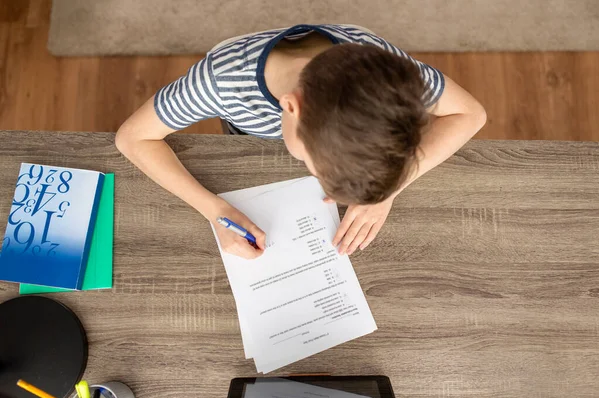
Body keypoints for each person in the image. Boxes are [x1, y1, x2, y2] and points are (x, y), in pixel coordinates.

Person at [115, 24, 486, 260]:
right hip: (244, 128)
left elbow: (471, 114)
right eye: (314, 168)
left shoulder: (384, 67)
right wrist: (216, 211)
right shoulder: (219, 83)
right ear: (288, 108)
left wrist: (386, 189)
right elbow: (132, 138)